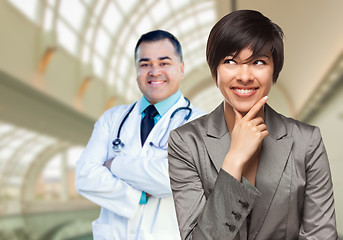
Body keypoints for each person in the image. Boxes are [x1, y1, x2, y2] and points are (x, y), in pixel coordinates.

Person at [168, 10, 338, 240]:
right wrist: (234, 160)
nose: (245, 76)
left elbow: (321, 235)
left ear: (274, 70)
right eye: (230, 61)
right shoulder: (186, 143)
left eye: (258, 61)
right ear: (214, 71)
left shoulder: (307, 141)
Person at [75, 30, 204, 240]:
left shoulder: (200, 124)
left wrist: (113, 165)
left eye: (164, 63)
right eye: (145, 64)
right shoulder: (112, 119)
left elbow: (172, 178)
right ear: (137, 71)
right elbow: (84, 176)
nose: (154, 72)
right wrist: (140, 195)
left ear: (181, 68)